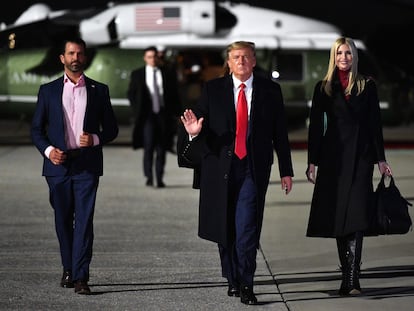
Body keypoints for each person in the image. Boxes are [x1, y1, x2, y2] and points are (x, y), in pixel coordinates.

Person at [177, 41, 294, 305]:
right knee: (225, 227)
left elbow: (280, 134)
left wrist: (286, 170)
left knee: (247, 228)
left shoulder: (270, 91)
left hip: (252, 169)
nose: (241, 61)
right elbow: (198, 123)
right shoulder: (213, 89)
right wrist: (194, 133)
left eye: (246, 57)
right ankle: (231, 277)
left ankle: (246, 284)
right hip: (220, 170)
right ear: (228, 63)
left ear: (254, 61)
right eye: (235, 57)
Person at [305, 37, 392, 296]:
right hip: (333, 159)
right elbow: (315, 128)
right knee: (337, 216)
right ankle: (348, 273)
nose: (344, 57)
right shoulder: (323, 88)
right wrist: (312, 161)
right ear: (334, 56)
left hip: (361, 158)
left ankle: (352, 278)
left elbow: (375, 125)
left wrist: (381, 159)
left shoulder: (367, 86)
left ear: (355, 56)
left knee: (355, 215)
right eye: (340, 53)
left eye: (349, 53)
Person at [31, 37, 119, 295]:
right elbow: (37, 130)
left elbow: (112, 128)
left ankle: (80, 276)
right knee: (62, 220)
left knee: (84, 221)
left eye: (80, 53)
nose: (75, 58)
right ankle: (67, 267)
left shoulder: (99, 90)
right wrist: (49, 152)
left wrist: (95, 138)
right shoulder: (47, 91)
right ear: (62, 58)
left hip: (86, 166)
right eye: (71, 53)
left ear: (85, 57)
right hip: (57, 167)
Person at [127, 46, 181, 188]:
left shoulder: (167, 73)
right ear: (145, 58)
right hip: (147, 115)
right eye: (149, 57)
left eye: (155, 56)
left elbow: (174, 95)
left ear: (158, 58)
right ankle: (149, 176)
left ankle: (160, 176)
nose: (152, 59)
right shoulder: (138, 74)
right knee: (149, 146)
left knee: (162, 147)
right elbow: (131, 93)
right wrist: (136, 109)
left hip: (163, 114)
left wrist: (178, 113)